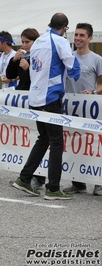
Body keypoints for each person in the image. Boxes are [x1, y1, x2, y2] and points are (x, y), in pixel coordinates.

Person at [12, 13, 80, 200]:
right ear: (65, 27)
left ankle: (24, 178)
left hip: (35, 97)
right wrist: (76, 73)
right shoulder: (60, 42)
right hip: (50, 96)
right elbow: (73, 67)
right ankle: (53, 188)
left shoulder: (39, 40)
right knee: (56, 142)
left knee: (43, 139)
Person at [62, 23, 102, 196]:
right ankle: (78, 182)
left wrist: (93, 91)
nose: (78, 38)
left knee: (93, 146)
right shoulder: (68, 57)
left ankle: (98, 182)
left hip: (91, 110)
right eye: (76, 34)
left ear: (90, 38)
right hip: (71, 109)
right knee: (74, 145)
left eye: (82, 35)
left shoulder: (97, 59)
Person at [6, 28, 45, 190]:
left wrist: (29, 68)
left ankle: (38, 176)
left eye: (27, 42)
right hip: (23, 100)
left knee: (40, 138)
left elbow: (40, 79)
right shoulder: (22, 56)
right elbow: (9, 75)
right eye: (22, 42)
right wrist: (14, 60)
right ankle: (27, 174)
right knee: (27, 139)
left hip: (36, 100)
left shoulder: (40, 56)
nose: (24, 45)